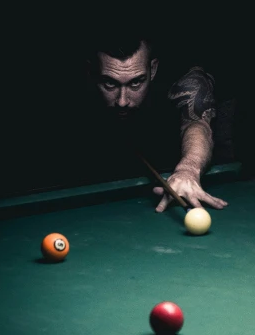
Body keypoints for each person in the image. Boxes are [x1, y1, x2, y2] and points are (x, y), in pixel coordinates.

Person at [85, 22, 229, 214]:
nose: (122, 101)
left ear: (152, 69)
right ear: (92, 72)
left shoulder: (184, 79)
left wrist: (188, 170)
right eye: (109, 83)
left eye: (136, 82)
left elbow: (196, 124)